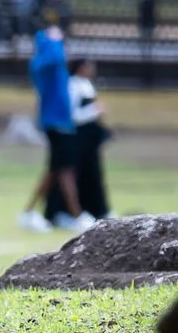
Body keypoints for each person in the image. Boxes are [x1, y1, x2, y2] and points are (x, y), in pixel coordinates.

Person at [17, 16, 84, 232]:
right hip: (54, 122)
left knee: (58, 169)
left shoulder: (55, 62)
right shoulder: (42, 61)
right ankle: (75, 214)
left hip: (63, 121)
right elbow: (54, 57)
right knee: (62, 169)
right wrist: (53, 39)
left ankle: (44, 212)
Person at [69, 56, 112, 222]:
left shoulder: (87, 84)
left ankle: (98, 210)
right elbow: (74, 115)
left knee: (94, 174)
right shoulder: (72, 85)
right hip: (80, 137)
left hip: (91, 138)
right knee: (79, 173)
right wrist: (95, 110)